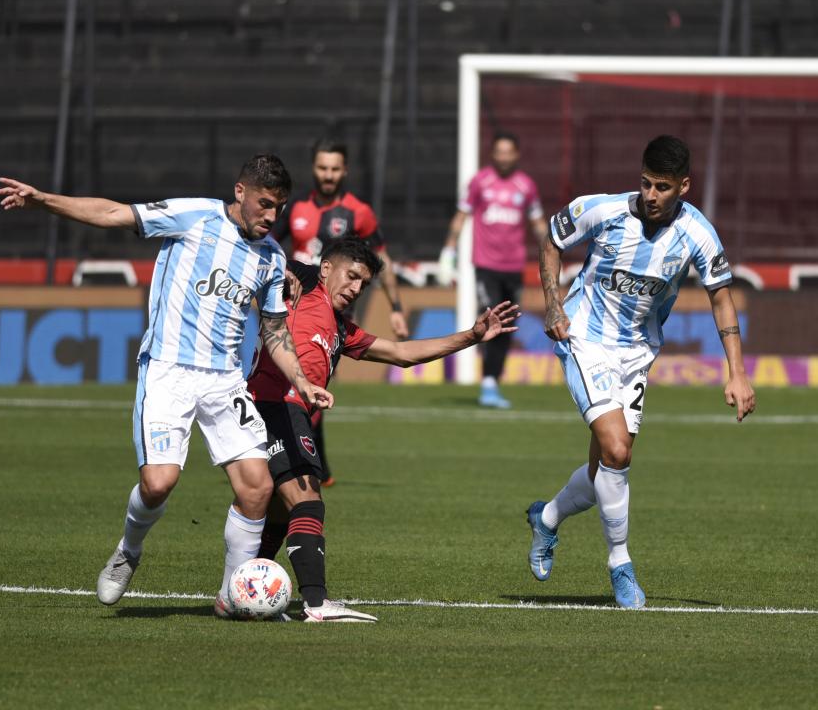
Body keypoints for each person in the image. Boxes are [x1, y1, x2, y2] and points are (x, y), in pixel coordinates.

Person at [0, 155, 333, 613]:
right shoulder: (193, 215)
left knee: (257, 487)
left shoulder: (272, 256)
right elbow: (116, 213)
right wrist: (44, 202)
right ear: (240, 193)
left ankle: (232, 595)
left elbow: (274, 330)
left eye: (280, 208)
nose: (272, 217)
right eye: (265, 204)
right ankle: (128, 551)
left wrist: (301, 381)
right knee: (158, 484)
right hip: (169, 370)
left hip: (224, 382)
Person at [227, 237, 519, 622]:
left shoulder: (342, 330)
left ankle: (243, 593)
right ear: (327, 269)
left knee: (283, 513)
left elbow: (401, 354)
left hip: (290, 412)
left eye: (363, 284)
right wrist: (284, 270)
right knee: (307, 501)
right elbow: (267, 259)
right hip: (274, 404)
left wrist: (471, 336)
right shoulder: (306, 284)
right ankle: (316, 603)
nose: (355, 289)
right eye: (351, 277)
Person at [526, 135, 756, 609]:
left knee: (606, 466)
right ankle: (621, 565)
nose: (651, 195)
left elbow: (720, 295)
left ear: (684, 186)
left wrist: (737, 372)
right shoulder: (602, 210)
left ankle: (546, 517)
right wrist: (552, 305)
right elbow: (551, 240)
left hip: (637, 353)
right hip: (585, 339)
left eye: (663, 187)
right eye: (647, 184)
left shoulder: (698, 234)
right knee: (616, 448)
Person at [271, 137, 410, 486]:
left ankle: (303, 463)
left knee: (313, 383)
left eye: (334, 168)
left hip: (332, 315)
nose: (328, 175)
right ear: (314, 168)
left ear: (344, 170)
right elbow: (269, 245)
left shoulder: (358, 212)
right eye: (322, 168)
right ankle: (300, 464)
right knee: (289, 382)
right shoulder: (297, 209)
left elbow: (383, 260)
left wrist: (395, 307)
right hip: (293, 308)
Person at [439, 130, 547, 409]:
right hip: (486, 266)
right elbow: (461, 215)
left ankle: (491, 382)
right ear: (492, 154)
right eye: (498, 151)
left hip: (514, 267)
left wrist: (552, 248)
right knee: (491, 318)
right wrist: (448, 250)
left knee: (507, 327)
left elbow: (537, 222)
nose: (503, 156)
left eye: (508, 151)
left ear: (516, 154)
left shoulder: (526, 186)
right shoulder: (480, 182)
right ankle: (487, 382)